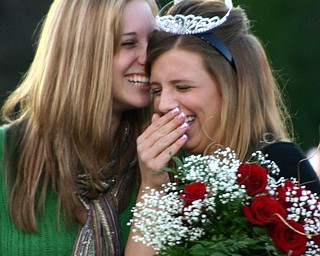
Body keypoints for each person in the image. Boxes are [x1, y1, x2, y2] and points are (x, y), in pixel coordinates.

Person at [125, 0, 320, 254]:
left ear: (233, 89)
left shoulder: (281, 164)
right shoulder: (171, 177)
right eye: (156, 90)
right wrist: (152, 188)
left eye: (183, 87)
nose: (163, 104)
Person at [0, 0, 158, 255]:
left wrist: (154, 188)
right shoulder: (5, 154)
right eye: (129, 43)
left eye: (155, 41)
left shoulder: (165, 162)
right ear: (82, 51)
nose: (149, 57)